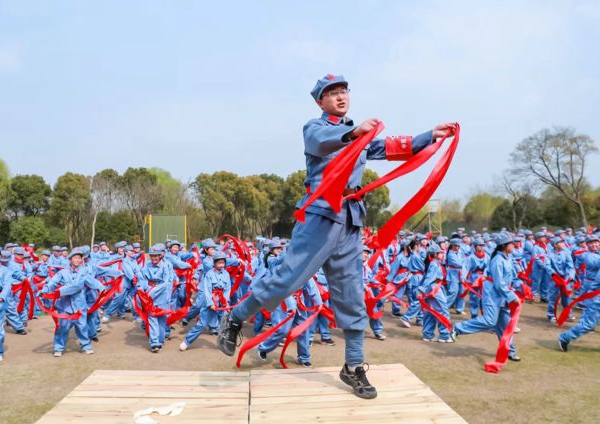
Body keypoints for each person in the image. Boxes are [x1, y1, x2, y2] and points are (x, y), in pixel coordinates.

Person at [215, 73, 455, 400]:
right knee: (286, 281)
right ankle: (235, 318)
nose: (341, 97)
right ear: (320, 101)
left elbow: (394, 147)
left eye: (344, 91)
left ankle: (353, 366)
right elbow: (323, 142)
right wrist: (355, 132)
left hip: (350, 220)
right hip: (319, 217)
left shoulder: (360, 135)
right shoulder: (316, 128)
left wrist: (431, 135)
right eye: (332, 93)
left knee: (353, 294)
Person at [453, 234, 522, 361]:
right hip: (493, 296)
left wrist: (519, 288)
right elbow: (499, 282)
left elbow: (510, 278)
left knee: (506, 326)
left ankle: (509, 351)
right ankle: (457, 328)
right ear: (504, 246)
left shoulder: (507, 258)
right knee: (490, 321)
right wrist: (512, 296)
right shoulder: (497, 260)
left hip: (502, 297)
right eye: (511, 243)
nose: (514, 245)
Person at [180, 252, 231, 351]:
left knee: (225, 324)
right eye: (219, 262)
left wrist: (226, 303)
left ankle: (224, 343)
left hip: (222, 303)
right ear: (214, 263)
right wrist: (211, 303)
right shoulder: (209, 274)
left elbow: (228, 289)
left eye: (223, 263)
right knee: (202, 324)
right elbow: (207, 290)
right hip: (211, 302)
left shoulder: (226, 274)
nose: (221, 265)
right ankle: (187, 341)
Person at [558, 235, 600, 351]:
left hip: (593, 289)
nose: (594, 245)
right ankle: (564, 337)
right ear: (587, 245)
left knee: (589, 320)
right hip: (595, 293)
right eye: (591, 243)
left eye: (596, 242)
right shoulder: (588, 256)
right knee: (588, 324)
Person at [419, 245, 453, 343]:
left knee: (430, 312)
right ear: (434, 254)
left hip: (434, 288)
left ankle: (428, 334)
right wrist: (422, 290)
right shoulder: (434, 264)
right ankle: (444, 335)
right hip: (434, 289)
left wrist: (423, 290)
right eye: (440, 253)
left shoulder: (435, 263)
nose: (442, 254)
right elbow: (429, 278)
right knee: (442, 311)